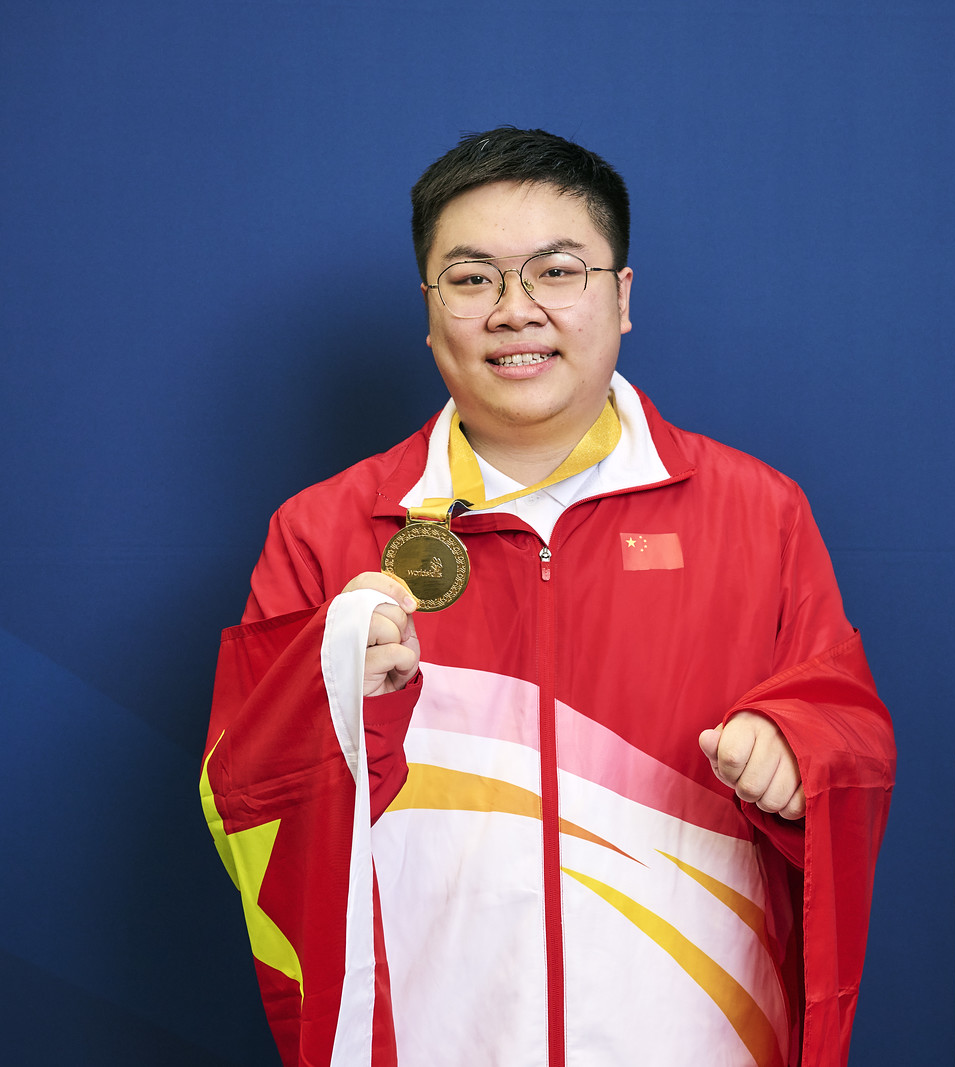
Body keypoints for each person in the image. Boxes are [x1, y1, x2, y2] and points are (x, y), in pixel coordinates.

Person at [201, 127, 895, 1067]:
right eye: (472, 278)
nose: (515, 311)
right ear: (429, 308)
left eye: (557, 272)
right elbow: (243, 801)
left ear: (622, 296)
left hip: (698, 1037)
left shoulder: (758, 511)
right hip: (434, 1038)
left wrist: (796, 747)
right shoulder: (322, 531)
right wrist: (335, 706)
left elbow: (849, 732)